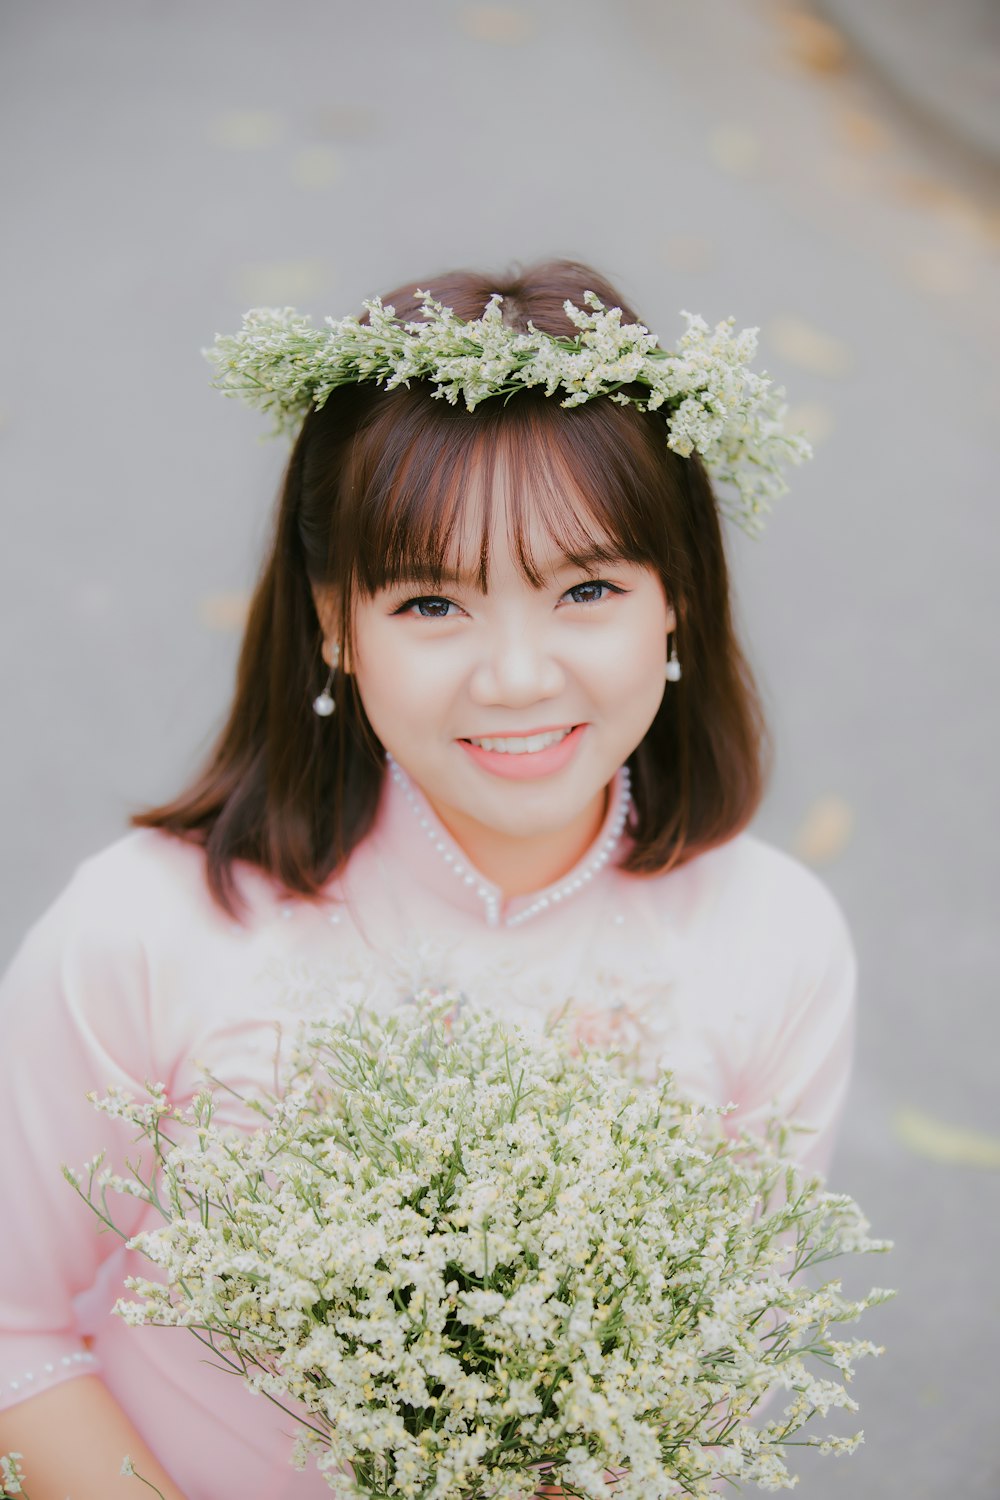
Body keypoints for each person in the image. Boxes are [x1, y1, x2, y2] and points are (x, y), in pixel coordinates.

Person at [0, 260, 856, 1499]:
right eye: (431, 603)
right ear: (336, 623)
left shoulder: (775, 941)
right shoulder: (145, 927)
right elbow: (10, 1331)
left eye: (588, 590)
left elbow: (713, 1382)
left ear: (676, 602)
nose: (515, 676)